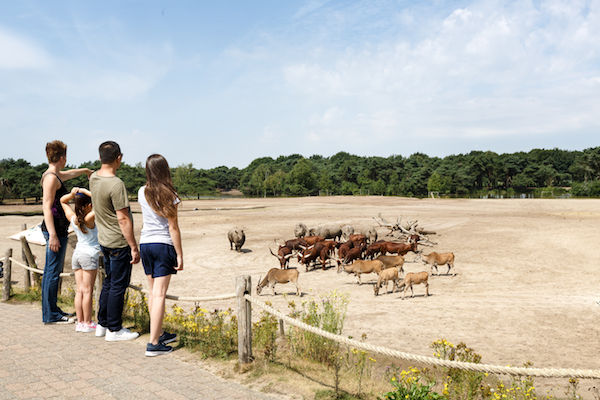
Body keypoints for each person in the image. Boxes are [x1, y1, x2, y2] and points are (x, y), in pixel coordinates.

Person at [89, 141, 140, 341]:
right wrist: (134, 246)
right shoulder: (116, 184)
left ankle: (102, 324)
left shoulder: (94, 178)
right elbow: (123, 218)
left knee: (109, 283)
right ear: (118, 157)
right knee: (118, 285)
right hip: (118, 242)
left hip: (103, 239)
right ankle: (114, 329)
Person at [41, 140, 92, 324]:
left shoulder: (55, 174)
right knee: (52, 272)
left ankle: (52, 309)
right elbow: (46, 207)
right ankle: (50, 314)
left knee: (53, 271)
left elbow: (69, 174)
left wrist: (85, 170)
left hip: (59, 228)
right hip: (54, 230)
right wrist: (53, 235)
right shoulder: (50, 178)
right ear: (62, 158)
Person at [138, 154, 183, 356]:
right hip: (162, 245)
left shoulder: (141, 192)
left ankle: (159, 332)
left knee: (153, 293)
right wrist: (180, 255)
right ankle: (154, 343)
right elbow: (173, 227)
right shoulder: (170, 194)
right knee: (159, 294)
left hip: (145, 244)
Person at [60, 187, 100, 332]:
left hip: (77, 255)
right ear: (89, 205)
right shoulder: (89, 218)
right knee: (88, 290)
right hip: (89, 255)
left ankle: (81, 322)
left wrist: (72, 195)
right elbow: (99, 199)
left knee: (80, 290)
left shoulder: (73, 218)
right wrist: (84, 190)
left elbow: (62, 201)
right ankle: (88, 322)